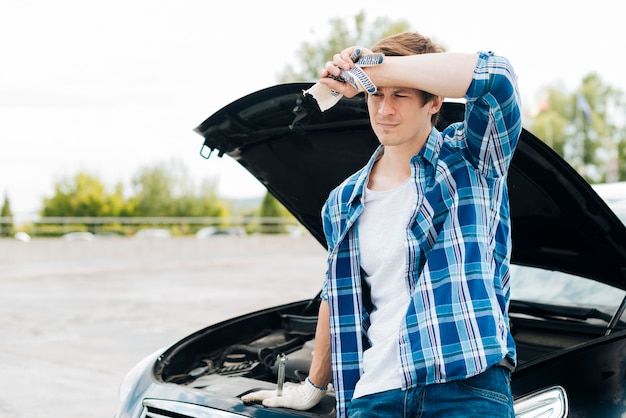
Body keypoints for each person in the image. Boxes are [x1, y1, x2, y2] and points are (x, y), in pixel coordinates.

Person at [242, 31, 521, 417]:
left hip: (464, 391)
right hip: (373, 395)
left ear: (434, 100)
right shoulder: (343, 201)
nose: (384, 109)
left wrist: (374, 68)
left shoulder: (471, 161)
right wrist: (313, 385)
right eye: (376, 94)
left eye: (400, 94)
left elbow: (498, 77)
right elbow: (336, 296)